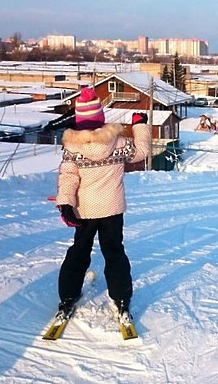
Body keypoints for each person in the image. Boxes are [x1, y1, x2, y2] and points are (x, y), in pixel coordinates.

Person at [55, 88, 151, 320]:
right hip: (112, 209)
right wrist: (139, 124)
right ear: (100, 118)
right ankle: (120, 298)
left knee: (79, 252)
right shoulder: (118, 142)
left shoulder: (73, 147)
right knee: (114, 252)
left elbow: (69, 176)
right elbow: (143, 152)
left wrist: (66, 203)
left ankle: (68, 296)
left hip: (84, 210)